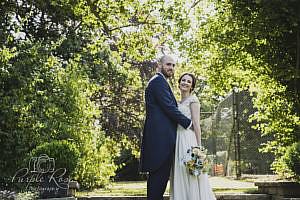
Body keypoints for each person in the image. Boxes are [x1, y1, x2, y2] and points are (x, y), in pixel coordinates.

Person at [140, 55, 193, 200]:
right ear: (159, 65)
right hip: (160, 142)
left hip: (163, 142)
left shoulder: (161, 82)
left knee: (159, 186)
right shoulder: (158, 82)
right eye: (168, 64)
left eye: (174, 65)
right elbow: (169, 107)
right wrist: (189, 123)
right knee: (157, 186)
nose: (171, 68)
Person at [170, 72, 216, 200]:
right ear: (179, 83)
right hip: (177, 140)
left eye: (188, 81)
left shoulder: (193, 100)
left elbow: (196, 124)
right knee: (180, 172)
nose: (185, 82)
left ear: (192, 86)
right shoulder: (176, 102)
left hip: (188, 139)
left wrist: (198, 148)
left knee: (190, 172)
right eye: (183, 80)